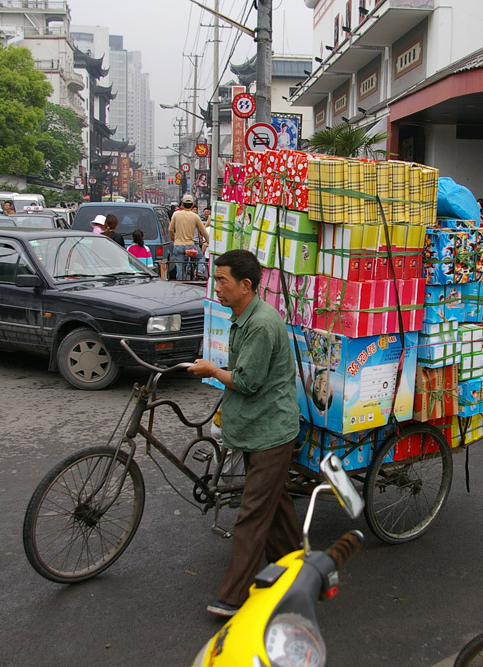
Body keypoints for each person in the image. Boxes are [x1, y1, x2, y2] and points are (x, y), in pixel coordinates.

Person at [187, 249, 300, 618]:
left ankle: (233, 597)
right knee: (275, 505)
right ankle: (298, 571)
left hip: (271, 431)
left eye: (222, 280)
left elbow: (248, 381)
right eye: (216, 279)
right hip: (255, 426)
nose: (216, 287)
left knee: (253, 513)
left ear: (246, 285)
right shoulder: (242, 317)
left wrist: (212, 371)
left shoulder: (262, 323)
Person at [169, 194, 208, 279]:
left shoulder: (176, 214)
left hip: (178, 245)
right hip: (190, 246)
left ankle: (180, 284)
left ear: (182, 203)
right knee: (201, 257)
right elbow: (204, 231)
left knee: (180, 267)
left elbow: (170, 230)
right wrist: (208, 242)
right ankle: (200, 271)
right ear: (193, 204)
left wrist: (174, 239)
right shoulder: (195, 216)